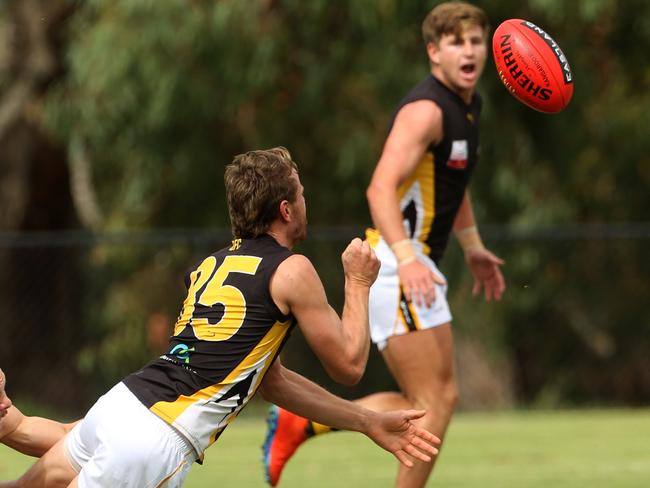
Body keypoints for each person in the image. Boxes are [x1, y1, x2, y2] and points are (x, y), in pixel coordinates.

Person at [0, 147, 440, 488]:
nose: (306, 201)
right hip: (156, 437)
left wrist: (365, 422)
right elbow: (349, 365)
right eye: (301, 194)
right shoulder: (292, 269)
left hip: (120, 404)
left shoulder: (210, 266)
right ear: (286, 210)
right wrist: (358, 284)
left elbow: (271, 380)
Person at [263, 3, 505, 487]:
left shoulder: (467, 108)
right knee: (434, 401)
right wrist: (410, 258)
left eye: (476, 40)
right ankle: (304, 421)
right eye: (456, 42)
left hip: (412, 262)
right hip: (398, 265)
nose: (469, 50)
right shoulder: (427, 111)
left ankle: (303, 420)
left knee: (435, 398)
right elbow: (379, 188)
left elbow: (453, 185)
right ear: (433, 51)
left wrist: (473, 246)